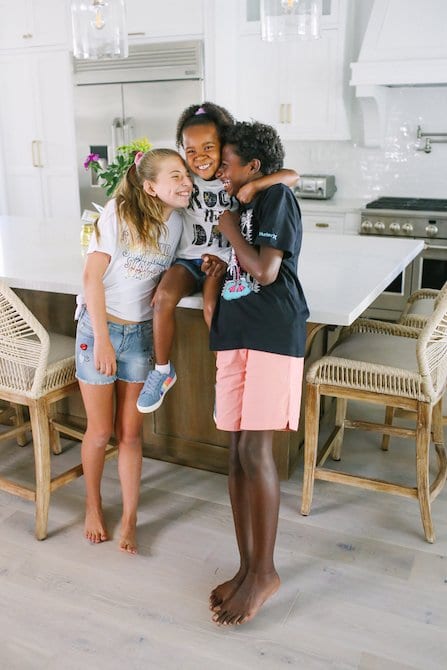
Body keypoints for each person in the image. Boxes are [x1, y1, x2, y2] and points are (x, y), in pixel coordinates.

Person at [208, 121, 309, 625]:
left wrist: (228, 230)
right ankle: (247, 568)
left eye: (227, 164)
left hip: (272, 331)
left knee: (254, 450)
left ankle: (266, 572)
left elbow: (266, 271)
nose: (220, 173)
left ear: (252, 166)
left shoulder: (275, 202)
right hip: (236, 332)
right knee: (234, 454)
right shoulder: (247, 200)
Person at [137, 101, 299, 413]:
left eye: (209, 147)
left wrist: (258, 185)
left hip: (222, 261)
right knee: (162, 298)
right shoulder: (185, 178)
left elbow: (291, 175)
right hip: (188, 260)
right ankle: (161, 371)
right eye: (191, 150)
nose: (199, 158)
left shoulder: (235, 178)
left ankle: (223, 383)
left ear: (224, 145)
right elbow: (152, 183)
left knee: (213, 309)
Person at [75, 148, 193, 554]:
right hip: (99, 331)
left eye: (187, 175)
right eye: (175, 176)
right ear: (150, 186)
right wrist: (104, 340)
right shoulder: (116, 214)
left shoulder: (178, 224)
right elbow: (91, 279)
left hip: (141, 337)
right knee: (100, 431)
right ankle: (93, 506)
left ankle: (129, 517)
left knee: (129, 434)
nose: (185, 182)